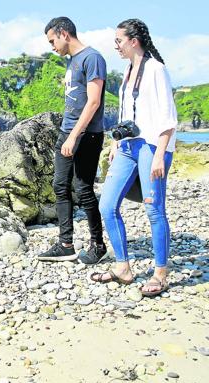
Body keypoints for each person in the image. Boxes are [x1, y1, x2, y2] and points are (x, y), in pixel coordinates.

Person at [91, 19, 177, 297]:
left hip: (152, 146)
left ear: (133, 41)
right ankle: (123, 268)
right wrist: (117, 141)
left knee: (154, 209)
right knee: (107, 205)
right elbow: (128, 113)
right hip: (127, 146)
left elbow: (167, 117)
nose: (115, 46)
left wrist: (160, 155)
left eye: (118, 40)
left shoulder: (156, 69)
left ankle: (161, 273)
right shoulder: (128, 71)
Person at [38, 17, 108, 263]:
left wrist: (74, 136)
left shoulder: (93, 58)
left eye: (52, 41)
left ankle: (97, 244)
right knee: (59, 185)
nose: (52, 46)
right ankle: (65, 243)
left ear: (64, 33)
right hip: (66, 132)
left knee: (83, 190)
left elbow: (94, 102)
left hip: (86, 135)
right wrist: (66, 134)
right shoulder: (72, 61)